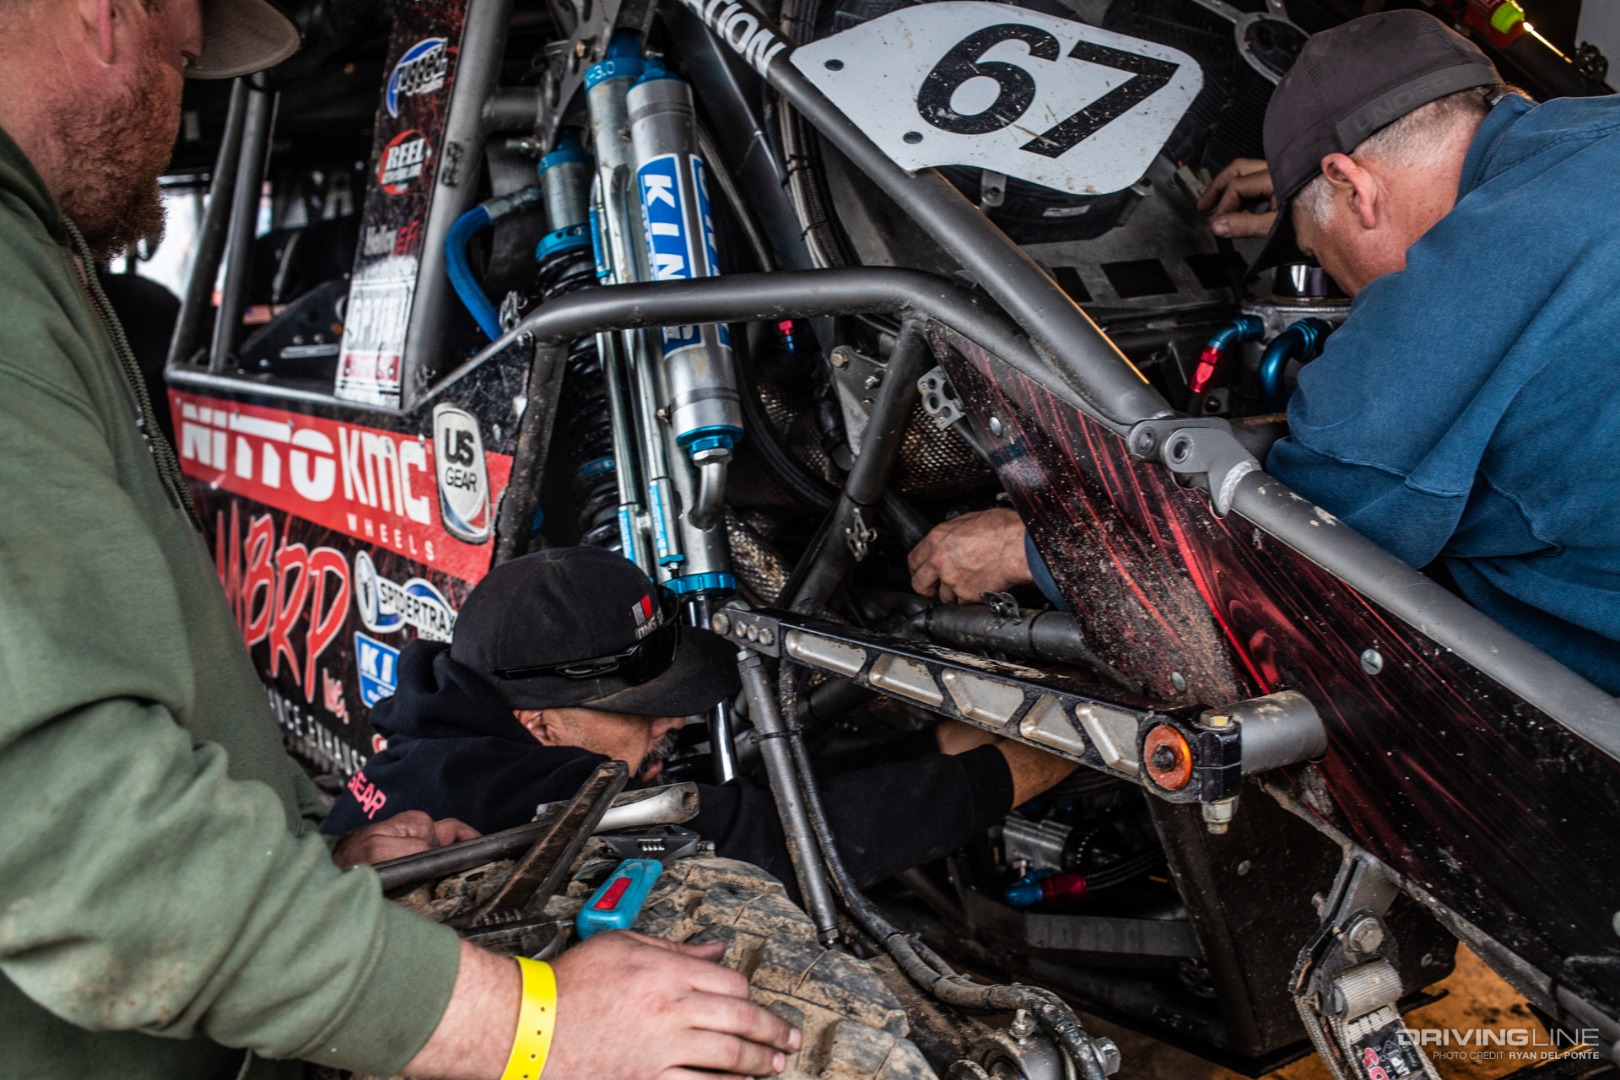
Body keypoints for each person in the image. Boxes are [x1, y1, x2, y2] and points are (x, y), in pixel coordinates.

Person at [0, 1, 799, 1078]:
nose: (177, 108)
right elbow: (85, 850)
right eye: (184, 62)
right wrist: (537, 1027)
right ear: (108, 17)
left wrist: (317, 857)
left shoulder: (39, 266)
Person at [912, 10, 1620, 697]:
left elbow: (1271, 562)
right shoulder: (1594, 130)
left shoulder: (1447, 300)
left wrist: (1025, 548)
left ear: (1350, 183)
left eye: (1316, 253)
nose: (1342, 291)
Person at [324, 547, 1079, 891]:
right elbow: (792, 844)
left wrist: (946, 740)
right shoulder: (507, 796)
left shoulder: (451, 734)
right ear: (542, 722)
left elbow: (763, 798)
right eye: (645, 711)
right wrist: (1073, 743)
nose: (671, 725)